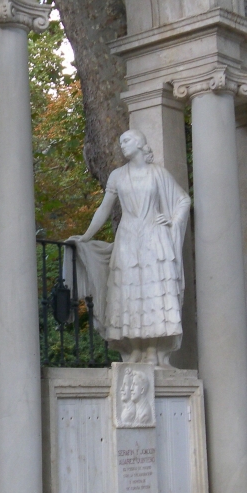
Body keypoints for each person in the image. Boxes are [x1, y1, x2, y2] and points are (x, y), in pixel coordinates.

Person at [70, 130, 191, 365]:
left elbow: (183, 199)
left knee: (153, 292)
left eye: (126, 140)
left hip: (154, 237)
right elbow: (104, 209)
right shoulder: (117, 175)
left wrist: (172, 220)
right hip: (128, 239)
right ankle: (135, 348)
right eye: (120, 141)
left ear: (140, 143)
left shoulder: (158, 173)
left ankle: (152, 349)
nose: (122, 145)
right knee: (129, 292)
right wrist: (86, 236)